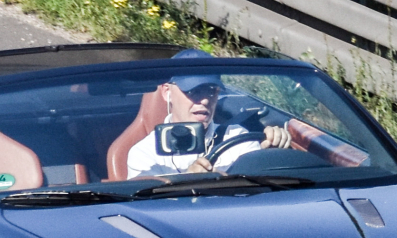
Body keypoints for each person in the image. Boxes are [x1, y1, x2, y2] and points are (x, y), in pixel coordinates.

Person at [118, 76, 295, 180]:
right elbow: (147, 207)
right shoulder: (144, 153)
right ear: (167, 92)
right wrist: (186, 181)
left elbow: (255, 191)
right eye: (193, 91)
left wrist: (270, 155)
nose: (204, 100)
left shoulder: (237, 136)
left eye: (211, 91)